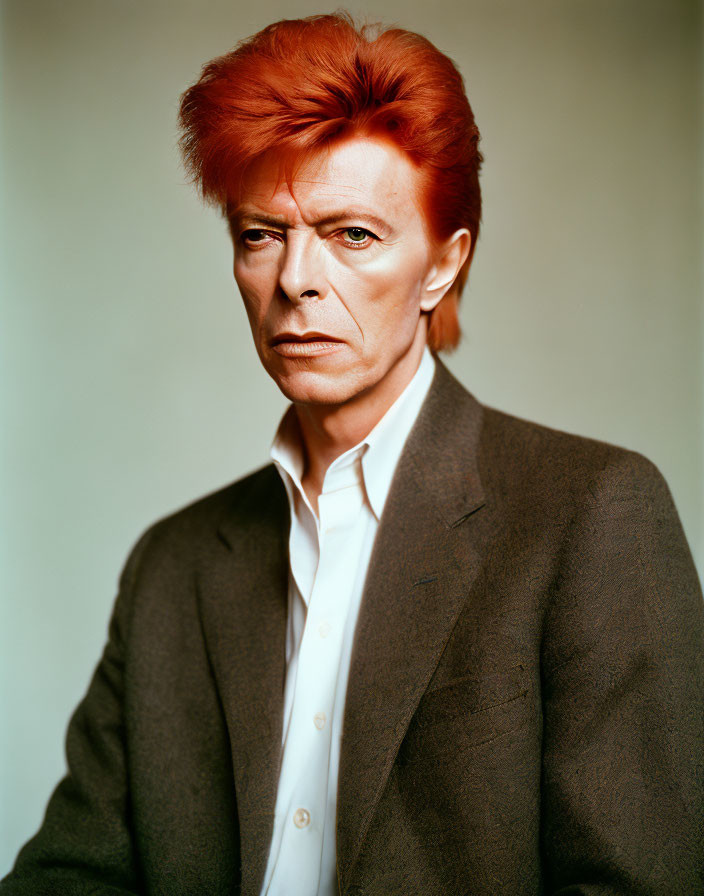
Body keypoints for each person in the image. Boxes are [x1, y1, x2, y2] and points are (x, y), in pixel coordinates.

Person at [2, 11, 703, 896]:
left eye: (352, 235)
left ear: (443, 266)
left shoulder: (594, 516)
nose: (294, 279)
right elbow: (71, 877)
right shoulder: (171, 570)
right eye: (261, 233)